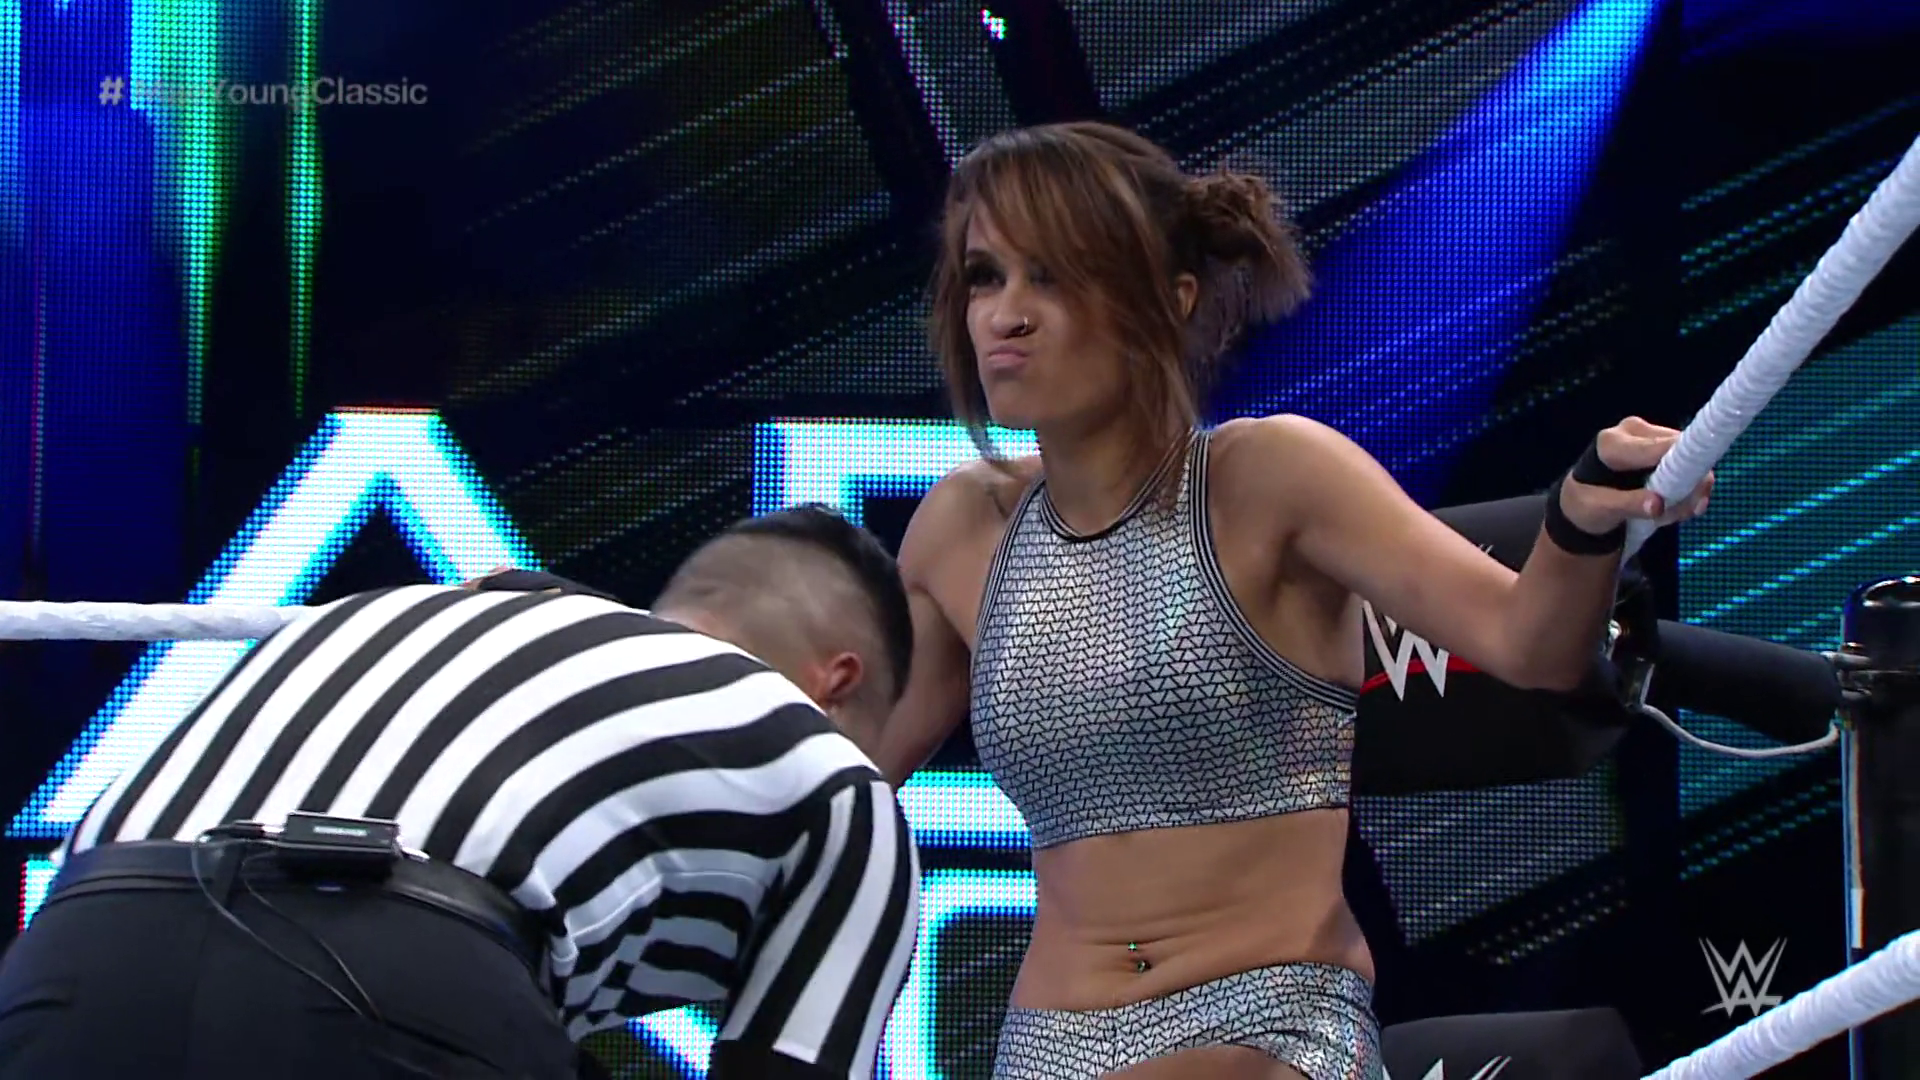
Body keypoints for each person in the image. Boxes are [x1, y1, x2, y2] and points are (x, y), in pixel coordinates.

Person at [857, 121, 1713, 1080]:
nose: (1005, 316)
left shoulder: (1271, 479)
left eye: (1050, 276)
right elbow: (844, 780)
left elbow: (1531, 644)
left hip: (1270, 1028)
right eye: (986, 276)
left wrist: (1582, 519)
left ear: (1168, 297)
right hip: (1049, 1047)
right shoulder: (961, 530)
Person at [0, 506, 921, 1080]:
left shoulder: (400, 610)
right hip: (396, 977)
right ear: (837, 683)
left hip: (71, 955)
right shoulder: (839, 778)